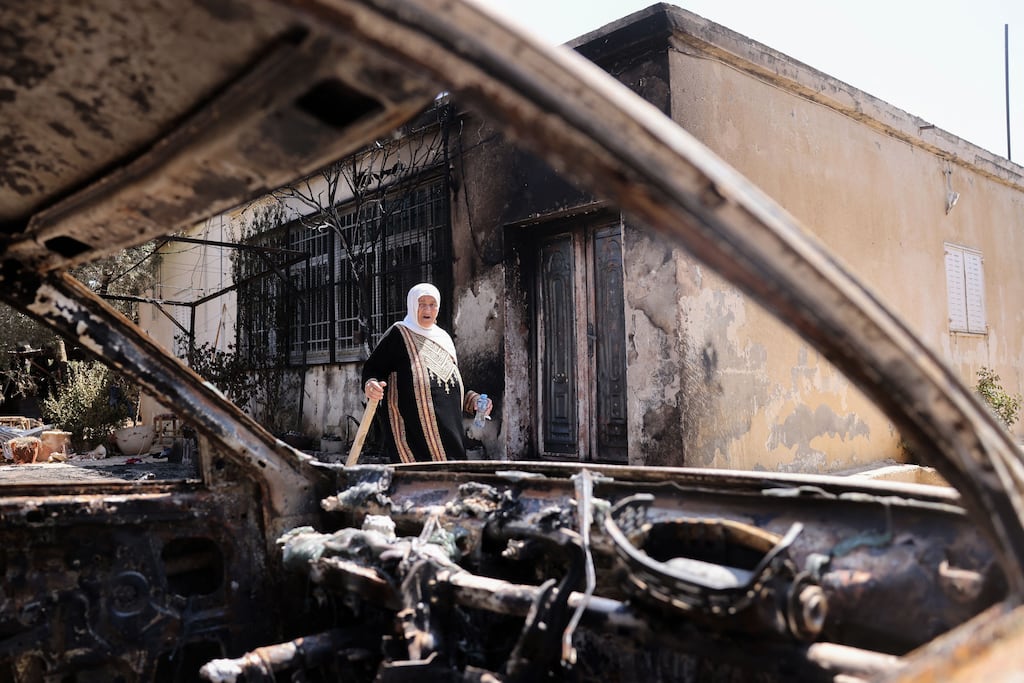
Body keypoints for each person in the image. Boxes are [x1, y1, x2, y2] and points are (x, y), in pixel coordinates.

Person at [362, 283, 492, 463]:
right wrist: (371, 384)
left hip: (450, 440)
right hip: (411, 439)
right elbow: (373, 369)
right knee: (418, 484)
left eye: (432, 304)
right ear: (412, 305)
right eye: (422, 303)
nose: (427, 309)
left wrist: (475, 401)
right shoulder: (398, 334)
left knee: (450, 483)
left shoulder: (444, 339)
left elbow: (451, 385)